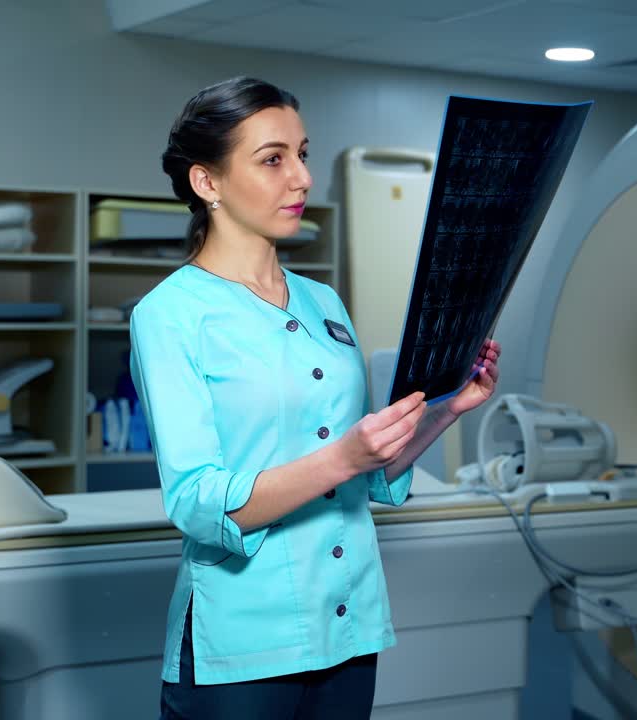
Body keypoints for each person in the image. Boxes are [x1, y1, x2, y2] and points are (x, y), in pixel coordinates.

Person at [130, 76, 502, 720]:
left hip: (348, 622)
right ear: (206, 183)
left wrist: (448, 409)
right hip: (244, 641)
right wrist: (346, 459)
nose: (302, 178)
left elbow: (365, 472)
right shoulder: (170, 314)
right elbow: (196, 501)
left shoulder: (321, 301)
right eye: (272, 159)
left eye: (302, 154)